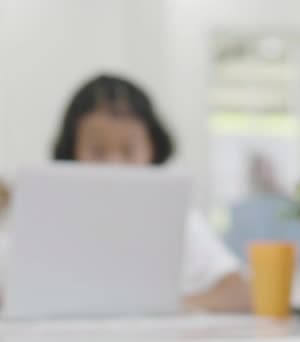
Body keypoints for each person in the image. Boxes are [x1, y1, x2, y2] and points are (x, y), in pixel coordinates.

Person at [51, 74, 250, 312]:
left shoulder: (177, 218)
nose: (115, 166)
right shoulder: (54, 218)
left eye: (128, 151)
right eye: (98, 152)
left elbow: (242, 294)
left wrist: (157, 308)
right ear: (73, 151)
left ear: (152, 149)